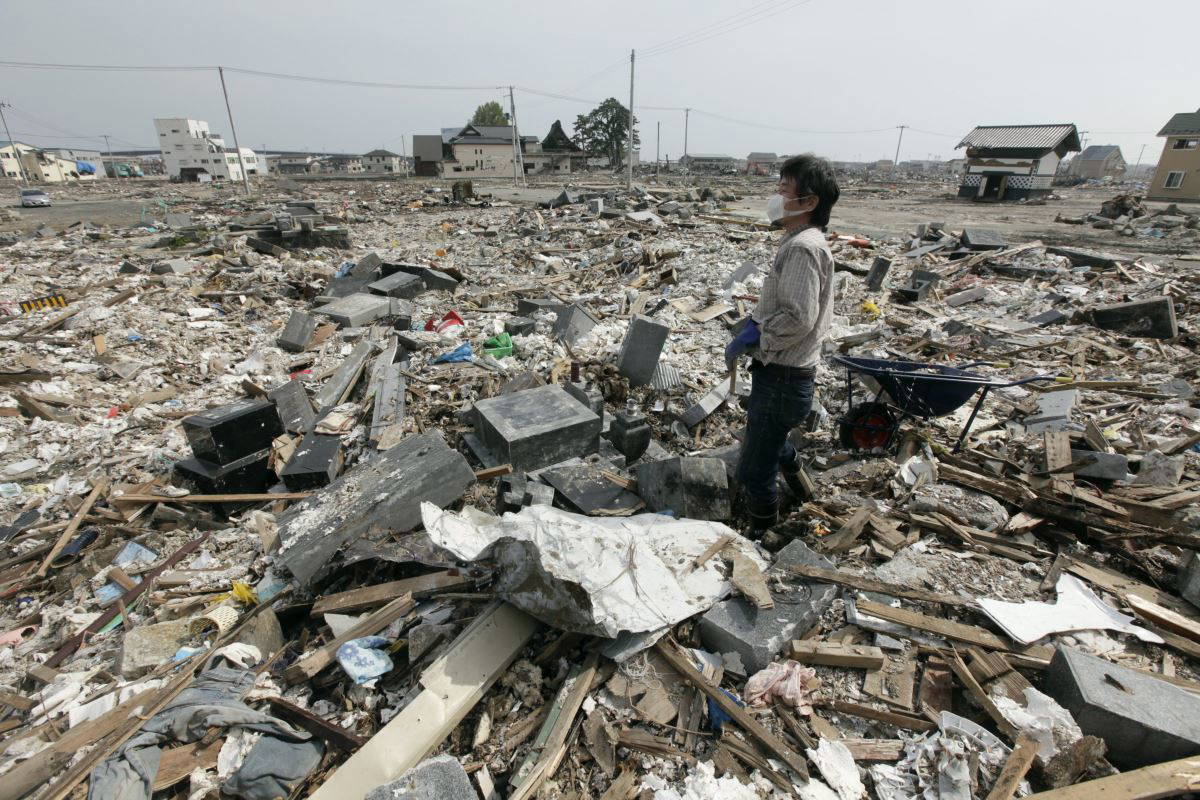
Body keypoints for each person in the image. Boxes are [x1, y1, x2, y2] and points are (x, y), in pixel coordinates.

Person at [725, 154, 839, 534]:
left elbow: (798, 317)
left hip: (784, 378)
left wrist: (758, 334)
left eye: (784, 189)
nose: (776, 195)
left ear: (809, 202)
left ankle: (763, 535)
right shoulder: (800, 241)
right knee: (772, 442)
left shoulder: (803, 248)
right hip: (787, 374)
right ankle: (805, 492)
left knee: (754, 469)